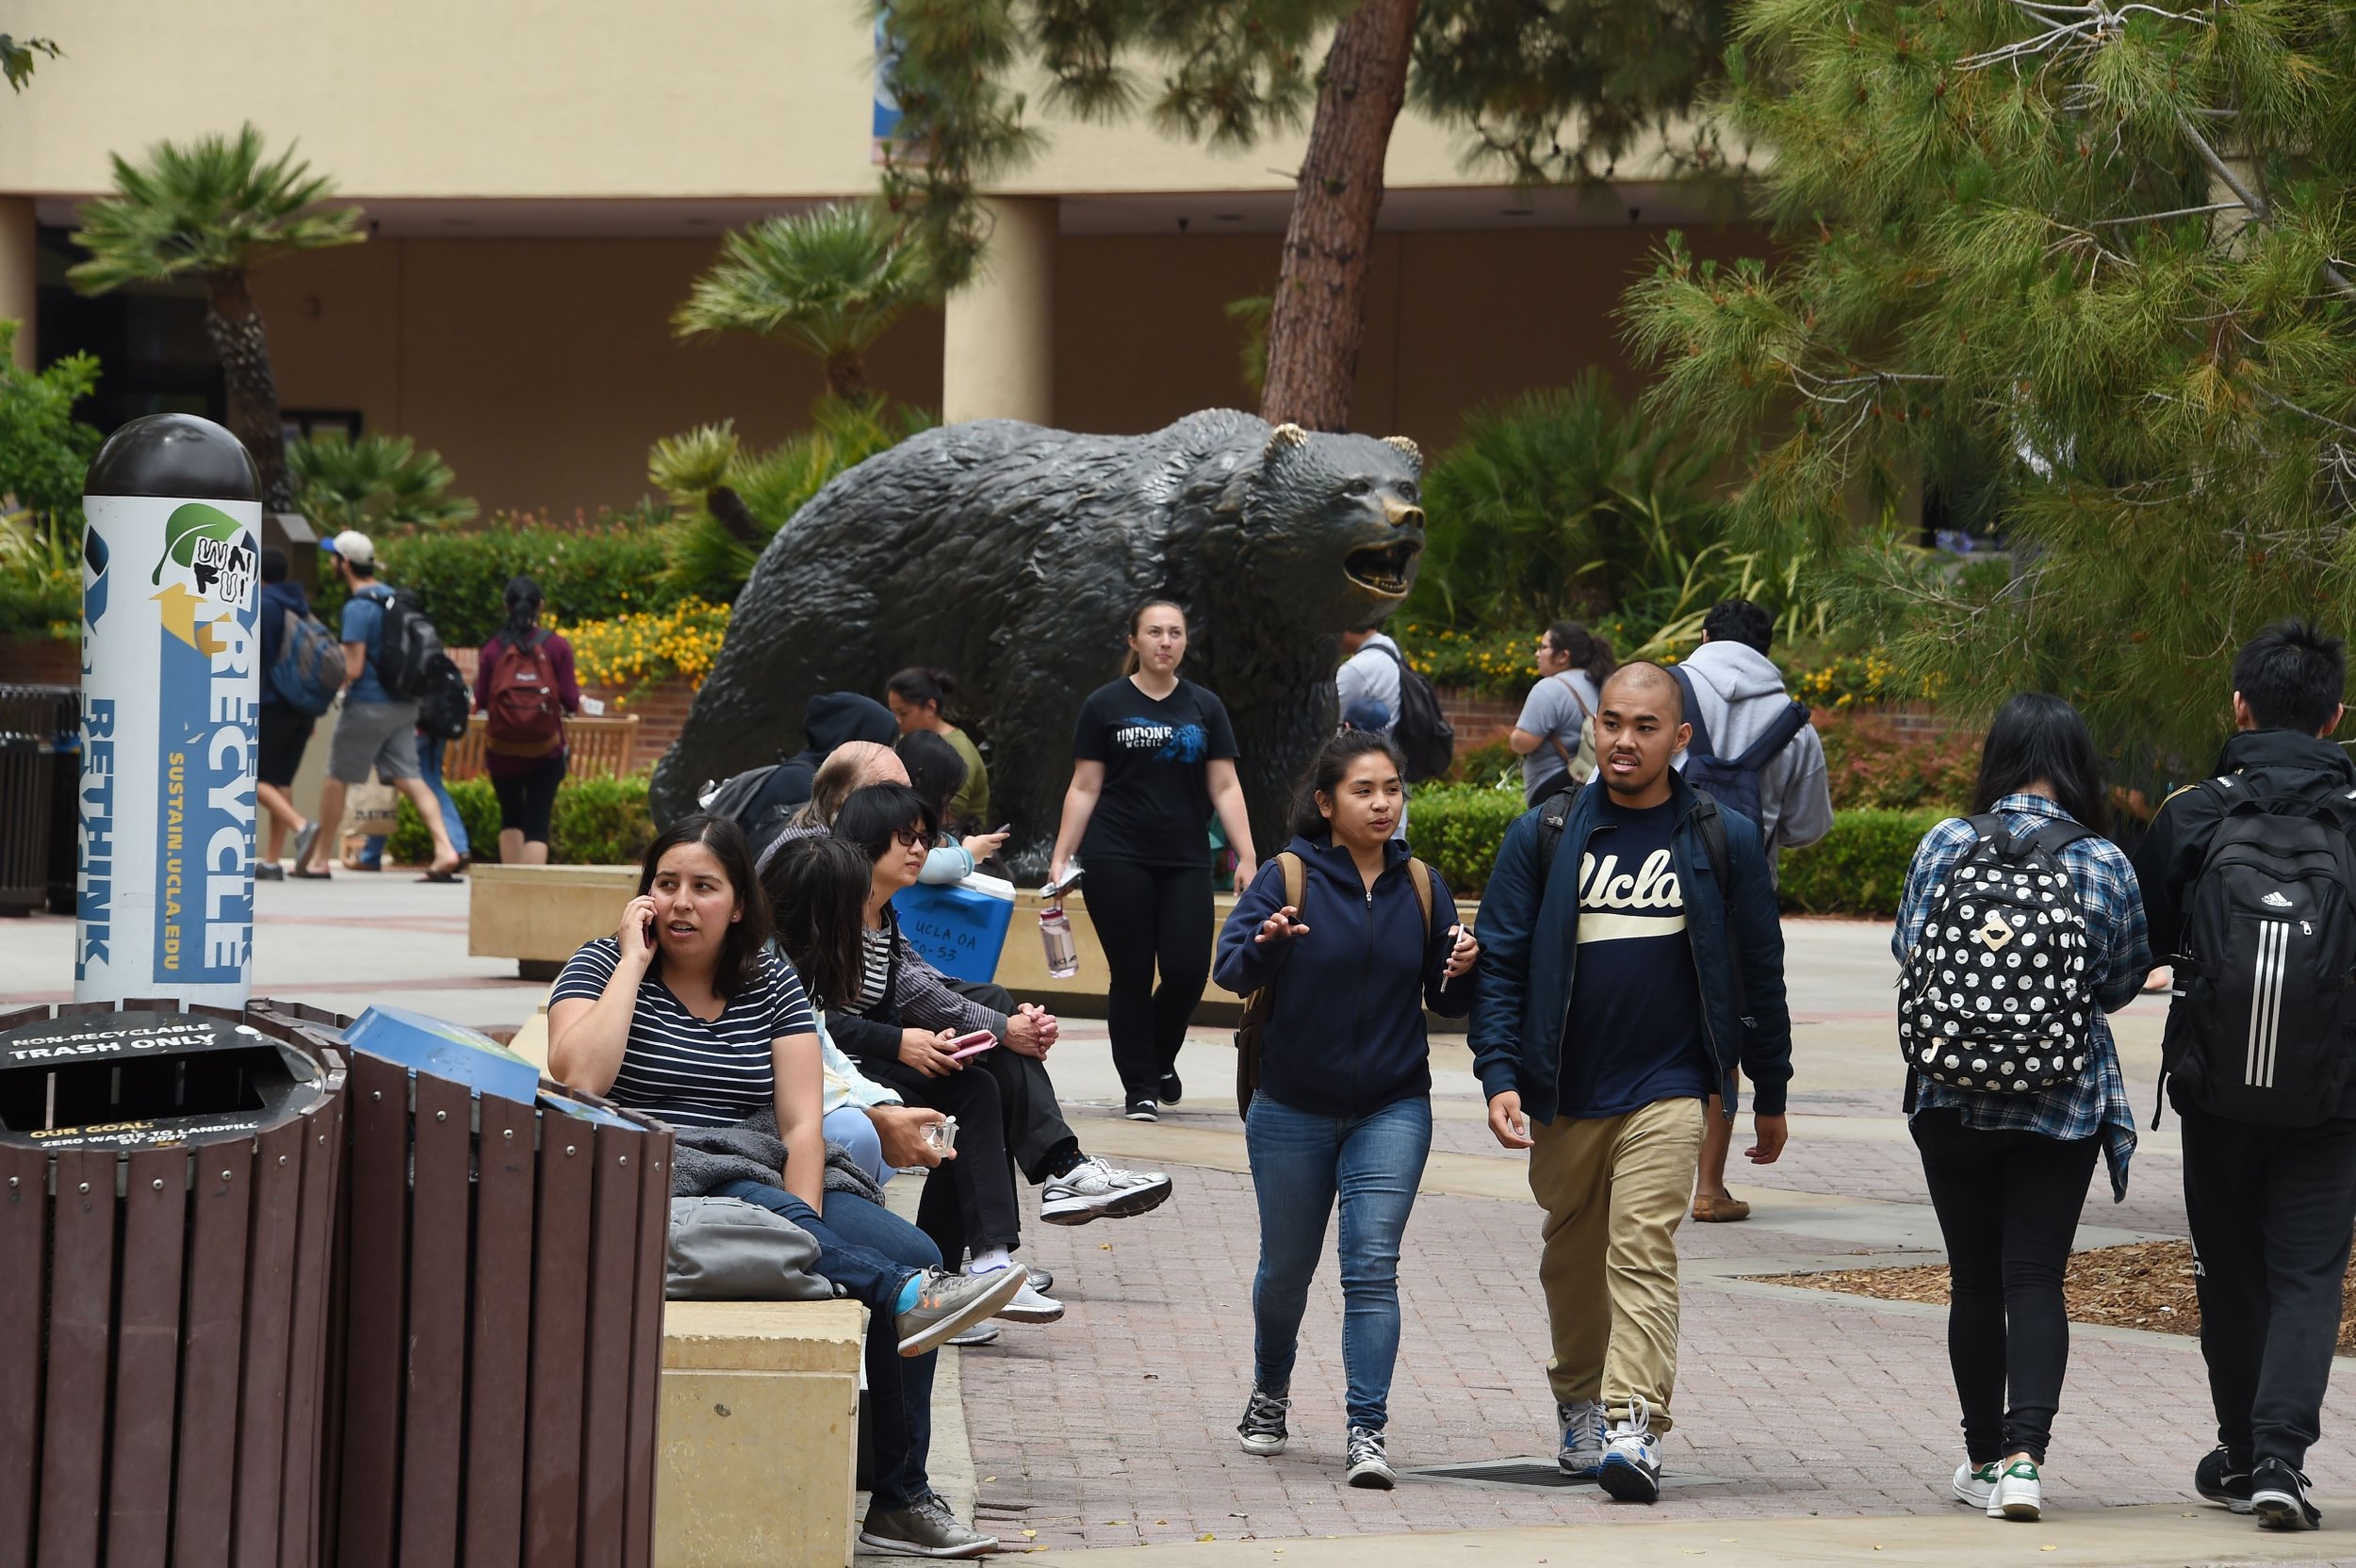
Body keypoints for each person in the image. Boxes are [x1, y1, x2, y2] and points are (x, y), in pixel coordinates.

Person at [545, 814, 1016, 1559]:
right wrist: (631, 968)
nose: (681, 903)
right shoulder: (600, 966)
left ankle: (899, 1500)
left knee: (917, 1250)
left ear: (739, 904)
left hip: (762, 1173)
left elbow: (801, 1127)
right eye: (666, 885)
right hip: (651, 1171)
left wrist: (803, 1236)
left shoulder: (769, 980)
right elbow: (579, 1080)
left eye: (704, 887)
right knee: (856, 1257)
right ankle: (891, 1290)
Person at [1469, 662, 1792, 1505]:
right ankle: (1579, 1399)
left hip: (1672, 1082)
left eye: (1646, 726)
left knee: (1642, 1244)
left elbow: (1760, 970)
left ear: (1679, 739)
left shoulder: (1723, 837)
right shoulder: (1542, 833)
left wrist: (1772, 1089)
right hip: (1565, 1088)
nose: (1623, 740)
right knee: (1572, 1259)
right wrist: (1499, 1072)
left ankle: (1632, 1422)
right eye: (1611, 722)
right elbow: (1498, 964)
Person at [1893, 694, 2152, 1524]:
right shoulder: (2104, 861)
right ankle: (2025, 1463)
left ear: (1995, 757)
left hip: (1948, 1092)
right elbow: (2117, 983)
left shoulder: (1945, 842)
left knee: (1973, 1280)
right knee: (2036, 1276)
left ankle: (1978, 1456)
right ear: (2079, 765)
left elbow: (1910, 950)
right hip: (2062, 1096)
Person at [2133, 622, 2356, 1533]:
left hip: (2216, 1086)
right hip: (2336, 1090)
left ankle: (2237, 1450)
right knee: (2308, 1274)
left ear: (2238, 705)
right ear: (2336, 716)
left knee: (2230, 1271)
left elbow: (2147, 945)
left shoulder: (2194, 812)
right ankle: (2278, 1460)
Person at [1215, 731, 1479, 1490]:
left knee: (1371, 1267)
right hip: (1292, 1106)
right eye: (1364, 791)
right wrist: (1267, 943)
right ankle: (1270, 1390)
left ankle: (1367, 1430)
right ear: (1327, 803)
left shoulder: (1422, 884)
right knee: (1288, 1270)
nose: (1382, 803)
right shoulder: (1287, 876)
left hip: (1392, 1106)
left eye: (1392, 789)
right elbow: (1231, 970)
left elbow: (1445, 999)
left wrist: (1461, 966)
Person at [1050, 599, 1258, 1121]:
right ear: (1134, 642)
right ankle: (1139, 1084)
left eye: (1175, 633)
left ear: (1185, 642)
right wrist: (1061, 857)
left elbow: (1226, 784)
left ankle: (1159, 1057)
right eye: (1154, 632)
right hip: (1114, 854)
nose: (1165, 642)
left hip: (1185, 857)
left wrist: (1248, 855)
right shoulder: (1103, 705)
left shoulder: (1205, 706)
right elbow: (1084, 784)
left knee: (1188, 971)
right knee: (1132, 972)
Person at [1674, 598, 1833, 1224]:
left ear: (1705, 634)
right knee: (1727, 1033)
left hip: (1655, 880)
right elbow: (1808, 824)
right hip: (1743, 896)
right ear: (1767, 649)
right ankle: (1709, 1187)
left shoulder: (1667, 695)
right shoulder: (1797, 725)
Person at [293, 530, 463, 881]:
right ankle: (445, 848)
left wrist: (323, 664)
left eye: (334, 557)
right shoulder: (393, 598)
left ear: (345, 563)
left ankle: (321, 859)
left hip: (368, 706)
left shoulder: (357, 607)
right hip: (404, 705)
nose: (330, 563)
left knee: (335, 779)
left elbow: (353, 668)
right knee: (411, 778)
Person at [476, 575, 581, 865]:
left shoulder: (493, 649)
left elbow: (482, 699)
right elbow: (571, 700)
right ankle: (530, 894)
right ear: (541, 607)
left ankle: (510, 892)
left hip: (502, 751)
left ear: (506, 606)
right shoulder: (557, 647)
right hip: (545, 751)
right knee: (537, 824)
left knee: (510, 818)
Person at [255, 547, 327, 879]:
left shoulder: (268, 606)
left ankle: (300, 825)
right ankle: (271, 861)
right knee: (280, 779)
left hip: (274, 704)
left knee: (252, 777)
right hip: (302, 707)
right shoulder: (300, 607)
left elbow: (262, 662)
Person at [1510, 621, 1615, 808]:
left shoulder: (1549, 688)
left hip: (1554, 790)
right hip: (1596, 784)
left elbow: (1524, 742)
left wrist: (1514, 738)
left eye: (1543, 647)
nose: (1537, 653)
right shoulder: (1601, 681)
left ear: (1563, 656)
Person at [895, 731, 1010, 881]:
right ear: (920, 781)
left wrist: (952, 845)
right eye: (946, 797)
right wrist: (969, 854)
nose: (947, 807)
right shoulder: (890, 818)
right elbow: (930, 867)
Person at [887, 667, 990, 829]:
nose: (898, 721)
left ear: (930, 707)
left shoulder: (958, 750)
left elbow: (948, 816)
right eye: (894, 713)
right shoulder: (907, 739)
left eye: (904, 713)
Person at [1333, 626, 1402, 736]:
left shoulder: (1356, 669)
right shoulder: (1389, 648)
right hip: (1385, 746)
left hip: (1359, 749)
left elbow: (1326, 722)